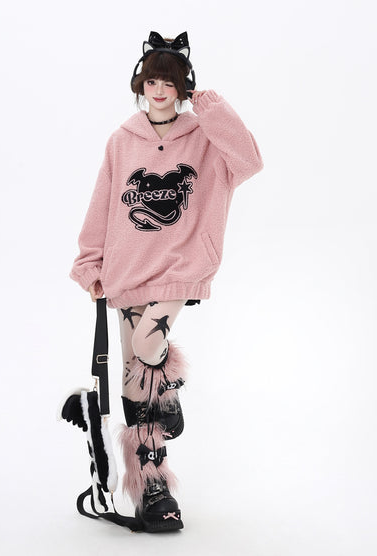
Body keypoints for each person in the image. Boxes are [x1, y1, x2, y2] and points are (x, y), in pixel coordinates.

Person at [69, 30, 263, 532]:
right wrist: (91, 264)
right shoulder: (121, 141)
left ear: (183, 86)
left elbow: (249, 160)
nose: (159, 90)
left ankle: (170, 390)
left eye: (170, 81)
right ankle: (153, 490)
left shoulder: (205, 137)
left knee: (148, 345)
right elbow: (102, 204)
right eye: (152, 81)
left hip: (180, 267)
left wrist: (208, 104)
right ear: (141, 84)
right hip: (127, 271)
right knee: (135, 382)